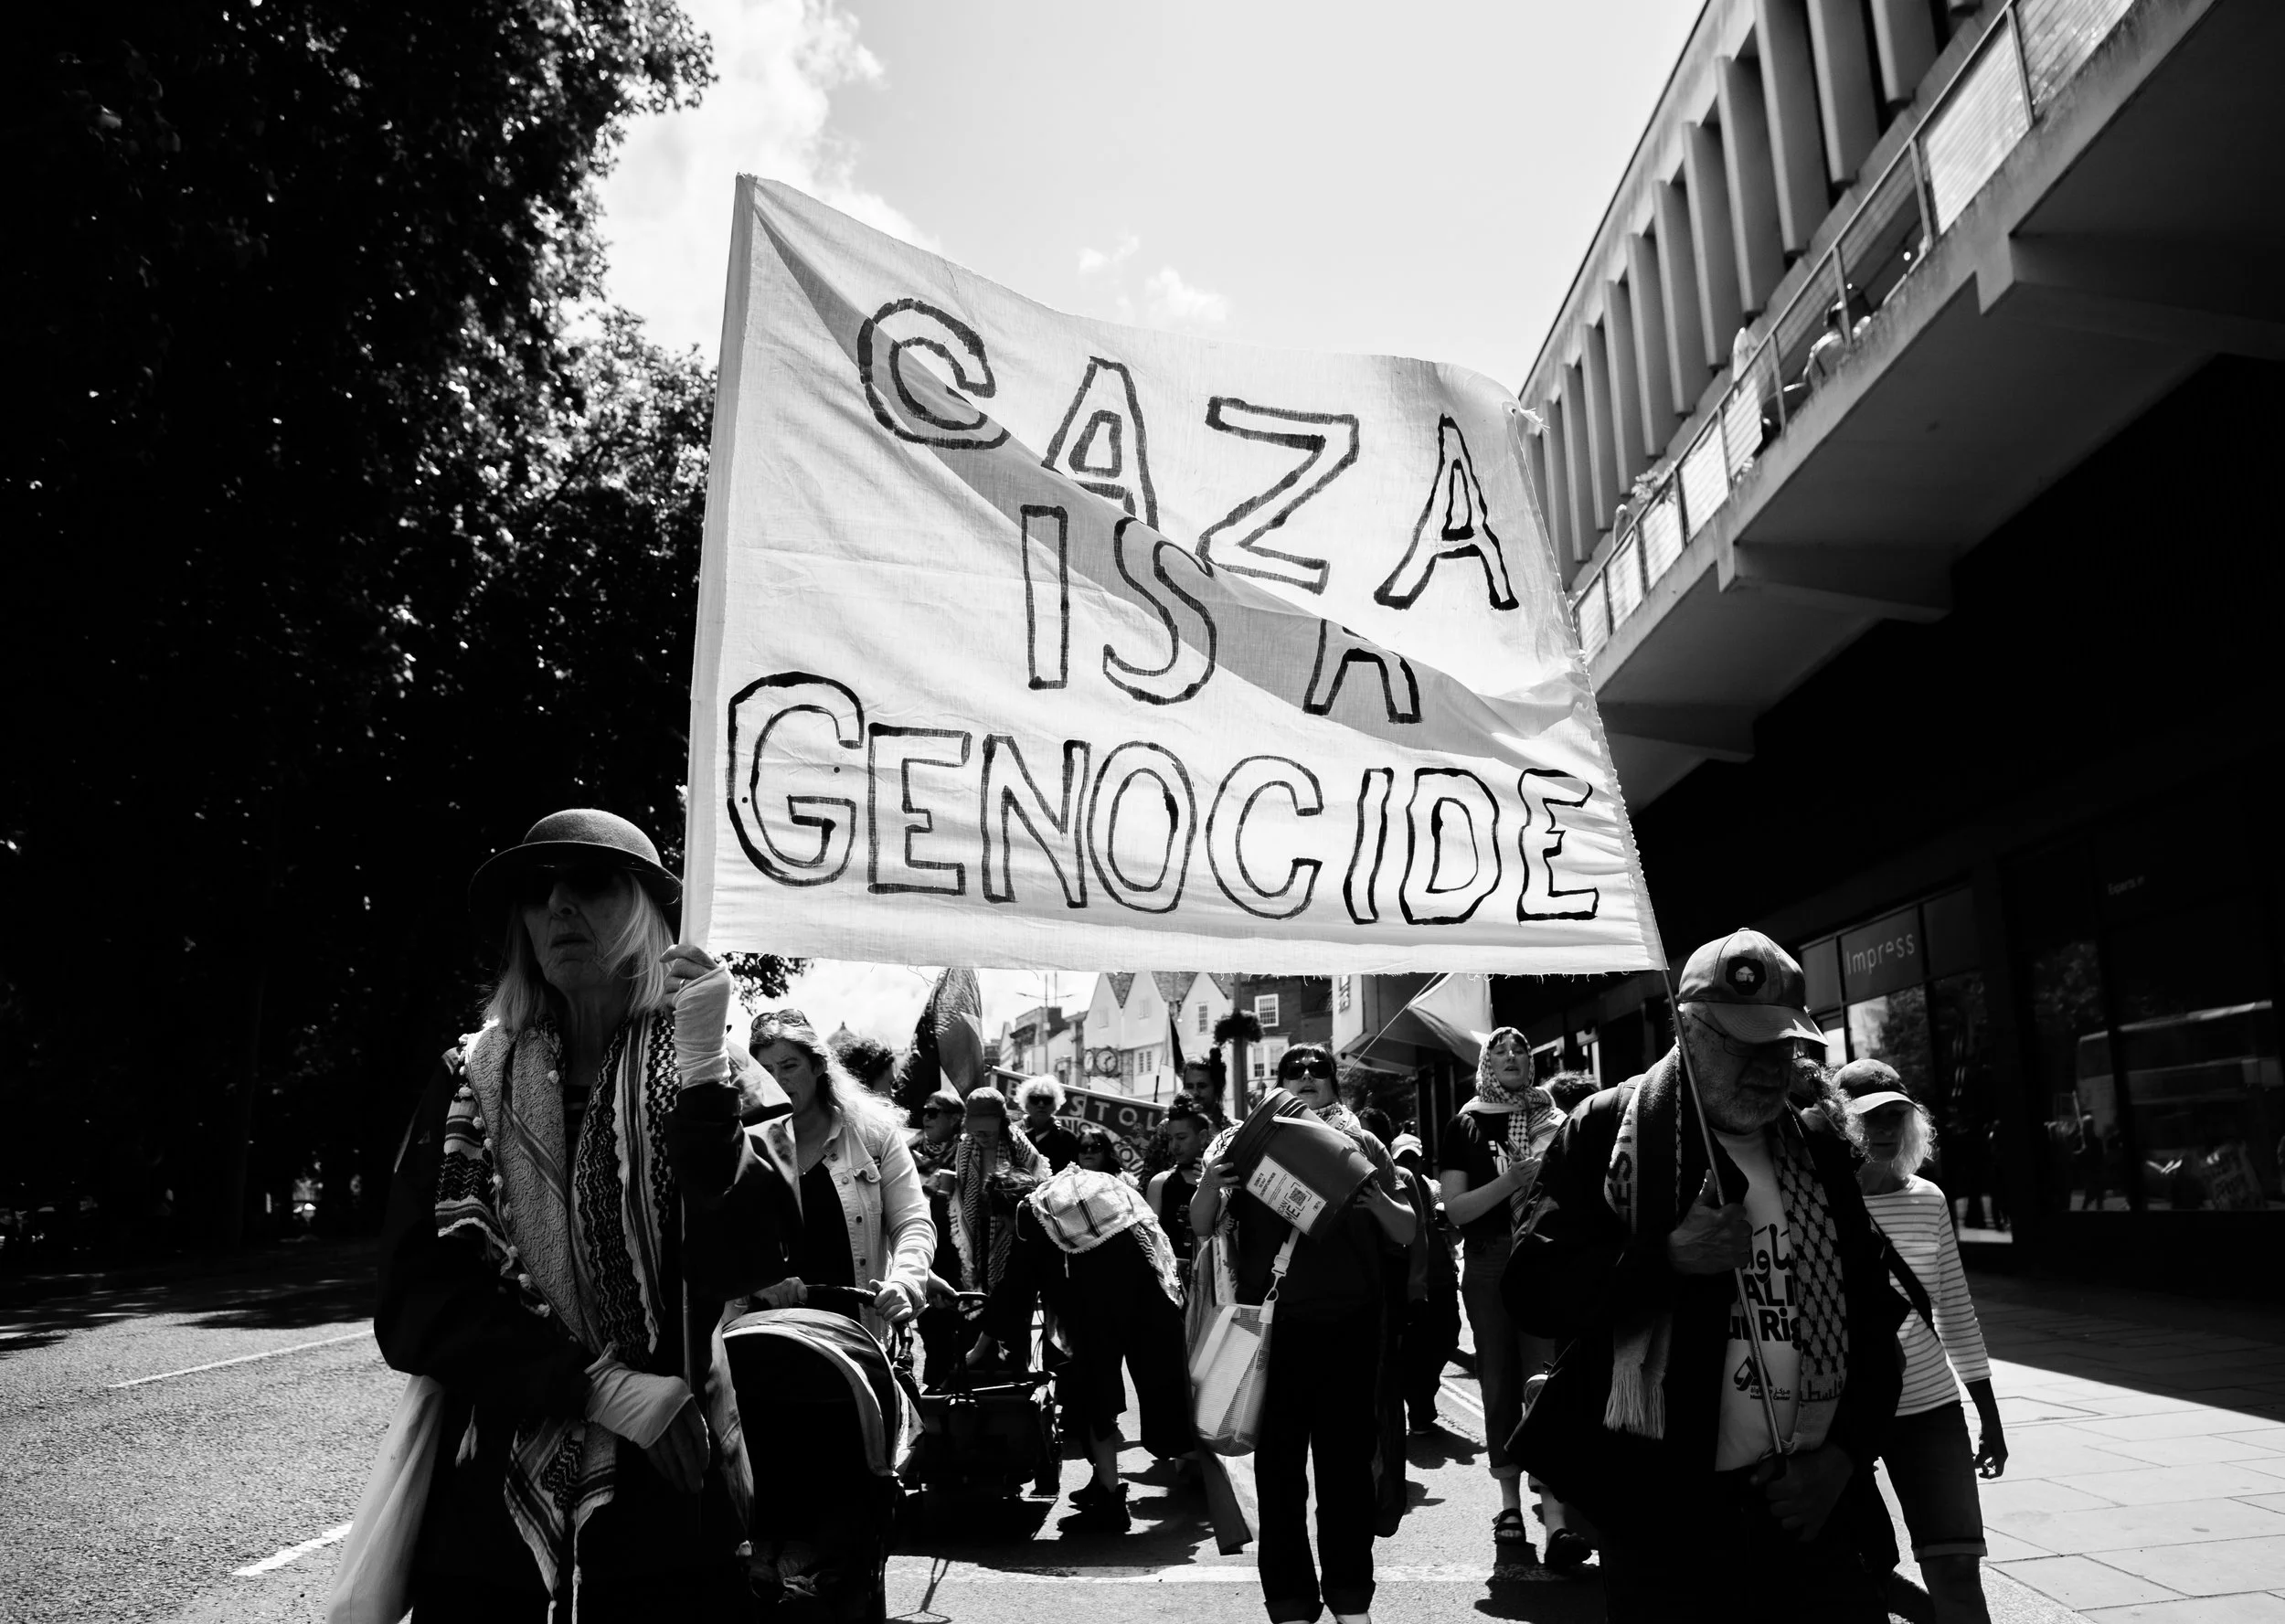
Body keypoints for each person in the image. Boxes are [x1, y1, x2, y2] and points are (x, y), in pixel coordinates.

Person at [374, 809, 795, 1621]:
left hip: (675, 1491)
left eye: (590, 883)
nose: (558, 905)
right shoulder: (470, 1077)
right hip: (495, 1500)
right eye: (537, 891)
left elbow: (751, 1256)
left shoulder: (717, 1065)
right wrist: (595, 1387)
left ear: (643, 909)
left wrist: (705, 1081)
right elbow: (414, 1300)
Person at [1506, 929, 1908, 1623]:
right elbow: (1532, 1288)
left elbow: (1877, 1320)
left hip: (1807, 1511)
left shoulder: (1815, 1144)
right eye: (1742, 1042)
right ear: (1687, 1030)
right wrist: (1662, 1258)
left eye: (1781, 1044)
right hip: (1664, 1519)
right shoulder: (1606, 1128)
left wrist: (1841, 1458)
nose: (1767, 1064)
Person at [1192, 1044, 1417, 1624]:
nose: (1309, 1077)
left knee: (1346, 1477)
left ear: (1335, 1084)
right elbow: (1201, 1225)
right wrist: (1211, 1186)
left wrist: (1372, 1196)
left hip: (1351, 1327)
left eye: (1321, 1070)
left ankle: (1350, 1601)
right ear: (1281, 1085)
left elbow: (1406, 1232)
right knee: (1280, 1476)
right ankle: (1291, 1604)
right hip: (1275, 1332)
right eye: (1296, 1071)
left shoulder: (1364, 1146)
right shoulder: (1244, 1146)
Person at [1842, 1059, 2006, 1624]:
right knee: (1855, 1571)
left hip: (1930, 1406)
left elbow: (1955, 1308)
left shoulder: (1928, 1198)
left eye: (1894, 1116)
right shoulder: (1815, 1200)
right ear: (1838, 1124)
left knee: (1957, 1567)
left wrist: (1988, 1413)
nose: (1883, 1129)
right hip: (1845, 1411)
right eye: (1866, 1119)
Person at [970, 1154, 1194, 1534]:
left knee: (1094, 1398)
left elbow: (1015, 1289)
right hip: (1154, 1293)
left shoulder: (1033, 1214)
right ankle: (1208, 1477)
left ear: (1006, 1207)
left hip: (1100, 1308)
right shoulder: (1078, 1194)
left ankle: (1110, 1498)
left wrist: (979, 1348)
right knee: (1166, 1392)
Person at [1438, 1029, 1580, 1566]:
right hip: (1491, 1257)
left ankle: (1557, 1517)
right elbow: (1455, 1211)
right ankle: (1508, 1504)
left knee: (1544, 1380)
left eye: (1520, 1049)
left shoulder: (1555, 1119)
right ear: (1485, 1065)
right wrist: (1512, 1181)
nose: (1513, 1057)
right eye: (1499, 1052)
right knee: (1497, 1380)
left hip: (1543, 1255)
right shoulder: (1466, 1124)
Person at [743, 1008, 933, 1344]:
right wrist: (756, 1277)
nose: (778, 1080)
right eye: (766, 1071)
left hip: (858, 1338)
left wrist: (905, 1281)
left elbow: (913, 1221)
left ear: (818, 1067)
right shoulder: (741, 1144)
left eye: (789, 1066)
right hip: (766, 1338)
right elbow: (718, 1236)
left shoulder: (873, 1135)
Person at [1385, 1127, 1461, 1438]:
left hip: (1442, 1279)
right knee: (1415, 1351)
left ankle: (1420, 1400)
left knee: (1449, 1338)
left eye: (1414, 1159)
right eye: (1402, 1159)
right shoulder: (1394, 1191)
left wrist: (1448, 1227)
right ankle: (1419, 1410)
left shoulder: (1436, 1191)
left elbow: (1457, 1234)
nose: (1410, 1165)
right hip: (1413, 1284)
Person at [950, 1087, 1046, 1303]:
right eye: (977, 1130)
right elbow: (962, 1191)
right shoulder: (965, 1147)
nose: (981, 1136)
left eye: (987, 1131)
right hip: (977, 1230)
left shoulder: (1022, 1148)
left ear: (1001, 1124)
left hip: (1015, 1237)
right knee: (979, 1296)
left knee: (1010, 1299)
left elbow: (1038, 1191)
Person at [1146, 1095, 1213, 1281]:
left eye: (1182, 1138)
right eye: (1171, 1138)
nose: (1174, 1146)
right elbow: (1151, 1242)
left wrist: (1210, 1183)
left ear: (1202, 1137)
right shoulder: (1161, 1184)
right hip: (1174, 1282)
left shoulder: (1222, 1182)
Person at [1018, 1077, 1084, 1172]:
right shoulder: (1013, 1133)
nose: (1041, 1104)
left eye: (1047, 1100)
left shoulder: (1068, 1139)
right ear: (1026, 1104)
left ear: (1055, 1105)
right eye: (1035, 1099)